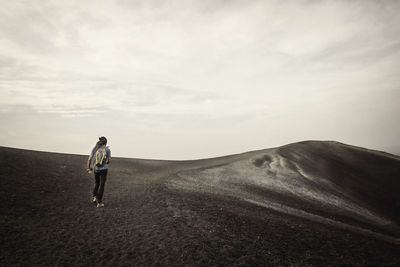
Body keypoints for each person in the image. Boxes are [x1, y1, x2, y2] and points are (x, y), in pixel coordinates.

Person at [87, 136, 111, 208]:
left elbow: (89, 159)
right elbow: (109, 161)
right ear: (106, 143)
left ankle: (94, 197)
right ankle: (99, 203)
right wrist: (106, 161)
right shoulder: (107, 150)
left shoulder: (95, 149)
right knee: (102, 185)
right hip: (104, 169)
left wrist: (89, 168)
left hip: (96, 169)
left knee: (97, 183)